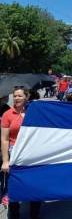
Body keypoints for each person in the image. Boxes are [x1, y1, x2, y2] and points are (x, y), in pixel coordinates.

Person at [1, 87, 41, 219]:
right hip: (14, 154)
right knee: (14, 186)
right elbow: (4, 139)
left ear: (26, 97)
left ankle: (34, 214)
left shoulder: (34, 112)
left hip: (32, 154)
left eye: (19, 96)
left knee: (35, 185)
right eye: (15, 95)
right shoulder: (8, 114)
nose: (16, 98)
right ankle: (15, 214)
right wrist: (6, 161)